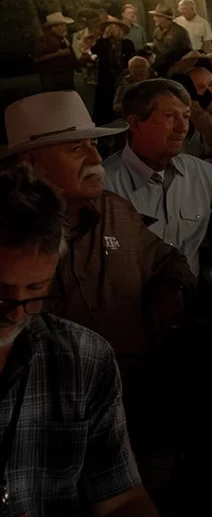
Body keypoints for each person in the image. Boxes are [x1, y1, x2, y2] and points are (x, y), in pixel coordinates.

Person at [0, 167, 175, 517]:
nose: (14, 315)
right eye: (0, 293)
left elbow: (120, 499)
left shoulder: (82, 358)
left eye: (35, 291)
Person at [3, 92, 192, 361]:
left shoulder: (116, 211)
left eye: (93, 144)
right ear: (30, 163)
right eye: (76, 148)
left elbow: (167, 260)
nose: (96, 158)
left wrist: (171, 289)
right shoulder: (9, 235)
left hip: (137, 388)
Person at [102, 80, 212, 280]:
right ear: (134, 123)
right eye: (170, 116)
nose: (182, 128)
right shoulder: (105, 184)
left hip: (192, 304)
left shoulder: (201, 175)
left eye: (186, 117)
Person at [90, 15, 138, 123]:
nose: (112, 30)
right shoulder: (103, 43)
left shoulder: (127, 43)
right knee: (105, 102)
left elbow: (130, 58)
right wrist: (103, 38)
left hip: (122, 77)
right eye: (109, 27)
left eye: (114, 27)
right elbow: (94, 50)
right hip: (106, 78)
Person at [33, 10, 79, 92]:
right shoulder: (42, 40)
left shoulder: (63, 39)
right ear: (53, 28)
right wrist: (58, 54)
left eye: (64, 25)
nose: (64, 28)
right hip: (52, 78)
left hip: (66, 76)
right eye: (61, 25)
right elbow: (37, 59)